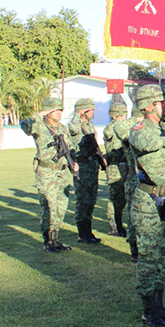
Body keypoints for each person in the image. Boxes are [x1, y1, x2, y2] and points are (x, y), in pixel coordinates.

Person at [128, 85, 165, 327]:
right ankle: (148, 309)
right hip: (149, 202)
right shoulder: (141, 128)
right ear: (149, 105)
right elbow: (139, 141)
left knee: (164, 254)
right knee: (149, 256)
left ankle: (160, 305)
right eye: (162, 102)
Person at [21, 97, 79, 253]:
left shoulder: (63, 128)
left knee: (61, 206)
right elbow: (25, 126)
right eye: (56, 110)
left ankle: (55, 238)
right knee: (49, 207)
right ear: (48, 112)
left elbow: (70, 147)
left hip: (63, 171)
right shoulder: (39, 126)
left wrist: (74, 162)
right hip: (47, 172)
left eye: (61, 110)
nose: (59, 113)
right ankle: (48, 241)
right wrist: (39, 114)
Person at [68, 98, 106, 243]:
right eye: (90, 110)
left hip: (92, 166)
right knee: (83, 199)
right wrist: (77, 114)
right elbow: (72, 128)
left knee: (91, 200)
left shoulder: (89, 126)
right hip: (82, 167)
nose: (93, 112)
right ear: (83, 111)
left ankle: (88, 231)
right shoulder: (77, 125)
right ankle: (82, 233)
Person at [114, 106, 144, 262]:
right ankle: (135, 250)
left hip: (147, 178)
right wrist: (137, 119)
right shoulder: (131, 131)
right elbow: (118, 128)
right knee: (134, 216)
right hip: (134, 177)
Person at [103, 103, 129, 237]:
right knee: (115, 197)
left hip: (123, 165)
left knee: (122, 197)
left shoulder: (120, 126)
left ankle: (119, 225)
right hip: (114, 166)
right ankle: (113, 226)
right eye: (122, 115)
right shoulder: (111, 128)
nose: (125, 118)